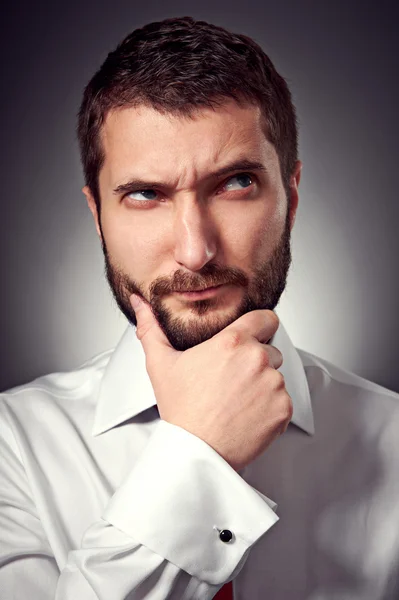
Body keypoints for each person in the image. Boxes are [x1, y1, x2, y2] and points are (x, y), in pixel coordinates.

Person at [1, 14, 398, 600]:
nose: (195, 251)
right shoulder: (12, 447)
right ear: (97, 216)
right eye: (145, 195)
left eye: (235, 184)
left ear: (290, 197)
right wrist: (199, 453)